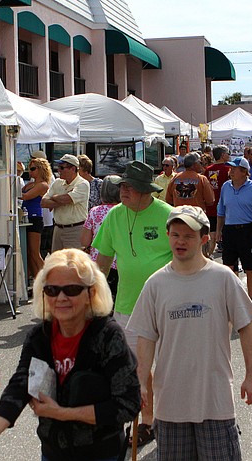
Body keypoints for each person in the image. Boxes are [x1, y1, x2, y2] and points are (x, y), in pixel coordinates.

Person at [0, 249, 140, 461]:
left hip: (101, 454)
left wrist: (62, 413)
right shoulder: (39, 337)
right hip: (53, 453)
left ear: (91, 294)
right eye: (51, 290)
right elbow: (19, 387)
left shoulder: (107, 336)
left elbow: (128, 403)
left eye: (71, 289)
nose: (61, 298)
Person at [128, 206, 252, 460]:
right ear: (167, 235)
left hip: (215, 400)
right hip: (169, 404)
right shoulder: (155, 284)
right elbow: (146, 337)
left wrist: (251, 375)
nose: (180, 241)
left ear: (203, 238)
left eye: (188, 236)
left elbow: (246, 326)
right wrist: (141, 381)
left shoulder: (223, 278)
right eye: (175, 234)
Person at [92, 161, 174, 446]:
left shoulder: (168, 216)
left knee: (170, 365)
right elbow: (102, 260)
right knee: (139, 368)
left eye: (128, 187)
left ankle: (175, 417)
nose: (122, 191)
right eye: (121, 186)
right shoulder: (114, 216)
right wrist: (94, 296)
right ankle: (148, 420)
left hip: (166, 305)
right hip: (127, 304)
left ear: (144, 190)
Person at [215, 157, 252, 301]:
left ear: (244, 172)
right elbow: (221, 212)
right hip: (229, 230)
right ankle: (235, 298)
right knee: (229, 267)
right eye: (231, 168)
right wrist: (218, 231)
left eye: (234, 169)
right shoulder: (225, 187)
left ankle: (250, 298)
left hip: (249, 231)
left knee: (250, 268)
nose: (231, 171)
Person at [82, 177, 122, 301]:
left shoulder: (94, 212)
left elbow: (84, 241)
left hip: (99, 263)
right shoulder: (125, 211)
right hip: (121, 263)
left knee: (101, 302)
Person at [42, 154, 91, 251]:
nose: (58, 170)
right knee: (57, 263)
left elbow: (66, 199)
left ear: (73, 169)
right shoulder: (57, 183)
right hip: (58, 229)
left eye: (61, 167)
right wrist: (64, 199)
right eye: (58, 167)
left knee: (74, 263)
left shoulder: (83, 184)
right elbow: (43, 203)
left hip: (75, 230)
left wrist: (54, 197)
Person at [23, 158, 53, 282]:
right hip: (27, 217)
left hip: (35, 218)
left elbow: (26, 195)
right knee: (29, 252)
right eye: (29, 169)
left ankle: (45, 280)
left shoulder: (43, 185)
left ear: (41, 169)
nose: (30, 171)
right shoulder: (32, 184)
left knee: (35, 252)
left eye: (33, 169)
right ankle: (37, 279)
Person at [205, 145, 233, 255]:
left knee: (212, 235)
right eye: (228, 153)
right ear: (222, 155)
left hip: (211, 206)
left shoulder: (208, 170)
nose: (229, 155)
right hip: (225, 207)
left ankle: (207, 256)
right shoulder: (228, 169)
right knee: (227, 234)